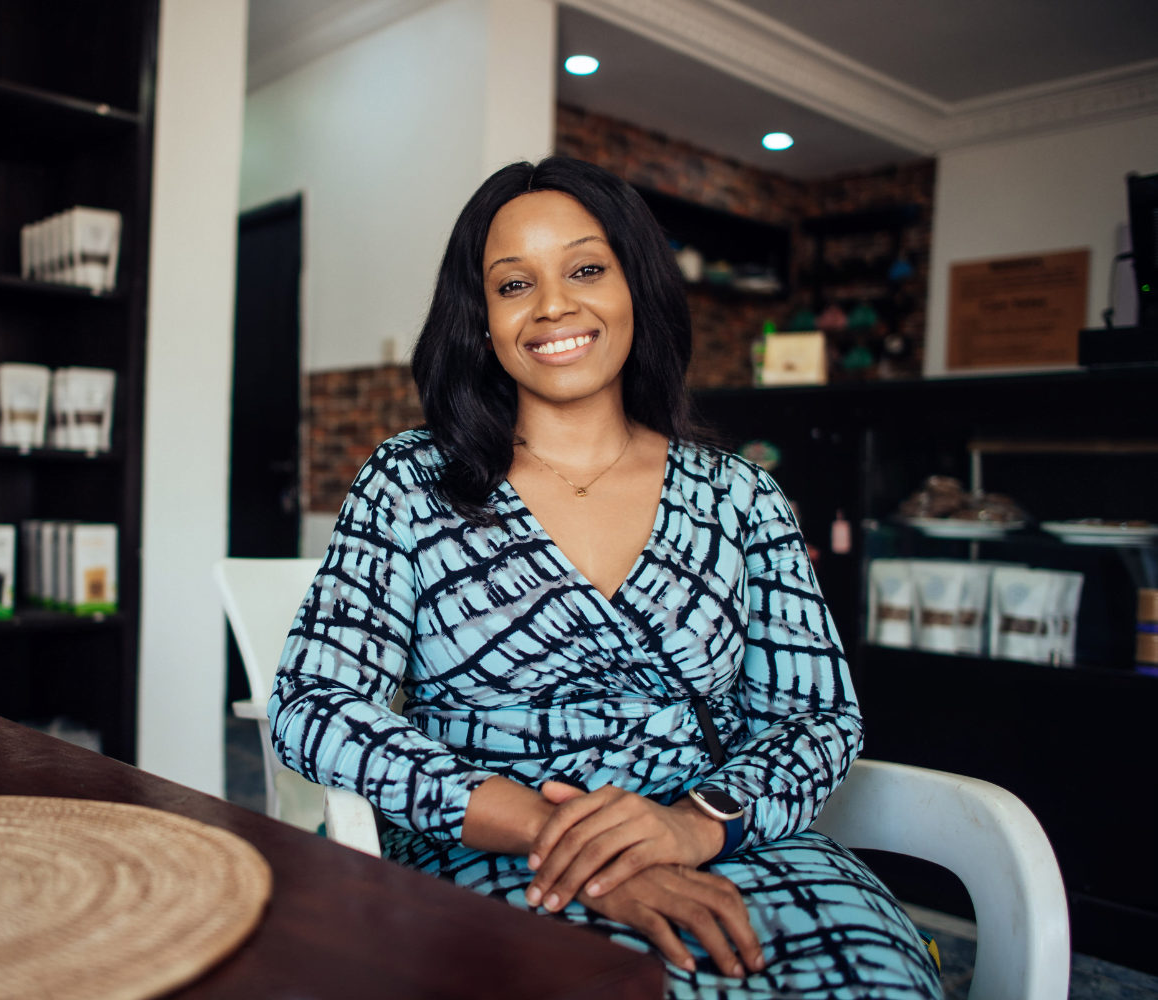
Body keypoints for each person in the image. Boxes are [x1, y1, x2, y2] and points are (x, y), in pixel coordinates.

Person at [268, 157, 941, 999]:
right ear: (481, 321)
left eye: (587, 269)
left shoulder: (741, 495)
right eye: (515, 285)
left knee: (869, 982)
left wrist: (691, 826)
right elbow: (314, 706)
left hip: (724, 840)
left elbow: (818, 716)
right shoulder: (410, 483)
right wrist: (557, 834)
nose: (554, 305)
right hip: (487, 848)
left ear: (637, 292)